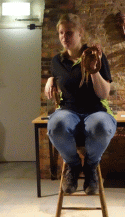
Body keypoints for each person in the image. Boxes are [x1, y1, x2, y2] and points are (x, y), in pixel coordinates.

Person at [45, 13, 117, 195]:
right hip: (68, 111)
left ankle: (91, 167)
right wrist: (51, 78)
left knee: (101, 126)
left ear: (80, 33)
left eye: (69, 32)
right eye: (61, 33)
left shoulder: (96, 55)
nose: (64, 37)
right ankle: (73, 165)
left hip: (95, 110)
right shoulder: (57, 61)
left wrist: (93, 70)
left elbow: (103, 94)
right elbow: (59, 75)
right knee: (56, 125)